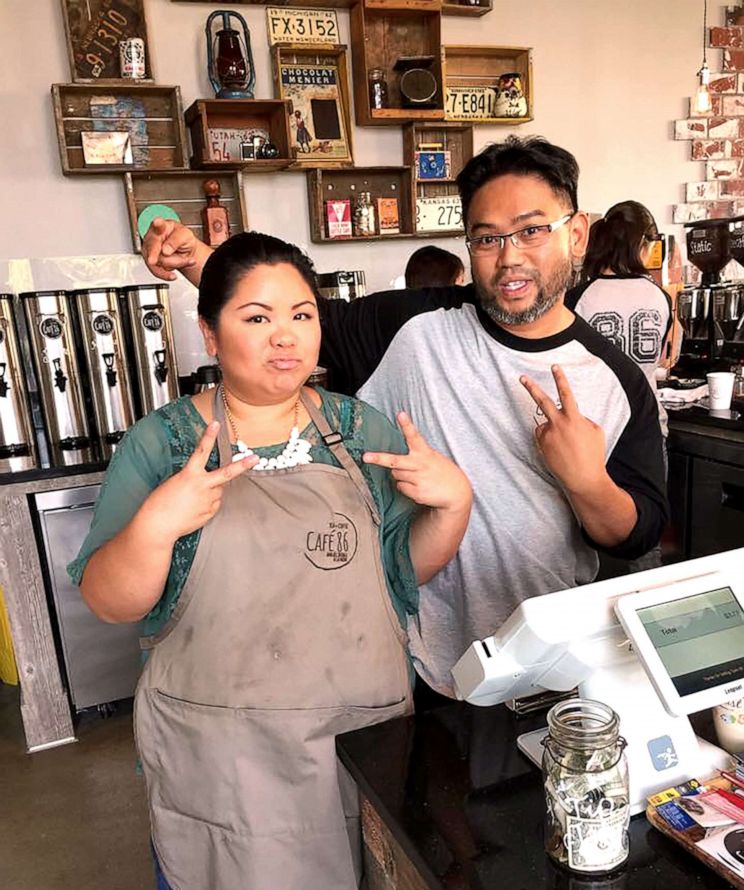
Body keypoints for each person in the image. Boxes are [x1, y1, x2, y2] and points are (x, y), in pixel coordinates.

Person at [68, 232, 472, 890]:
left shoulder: (363, 433)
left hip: (346, 744)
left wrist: (454, 506)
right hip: (215, 756)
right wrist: (158, 522)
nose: (285, 336)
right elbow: (109, 599)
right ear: (210, 331)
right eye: (255, 317)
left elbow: (397, 573)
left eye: (303, 314)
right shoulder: (164, 444)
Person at [142, 136, 668, 699]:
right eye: (487, 237)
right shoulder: (417, 327)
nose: (509, 255)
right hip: (413, 653)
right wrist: (197, 256)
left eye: (532, 230)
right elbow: (295, 319)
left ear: (577, 233)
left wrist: (587, 482)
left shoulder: (617, 380)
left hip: (547, 666)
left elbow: (636, 535)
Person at [565, 201, 673, 571]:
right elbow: (661, 361)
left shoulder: (580, 297)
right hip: (646, 428)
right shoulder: (659, 296)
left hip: (592, 432)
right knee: (645, 534)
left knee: (587, 532)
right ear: (640, 244)